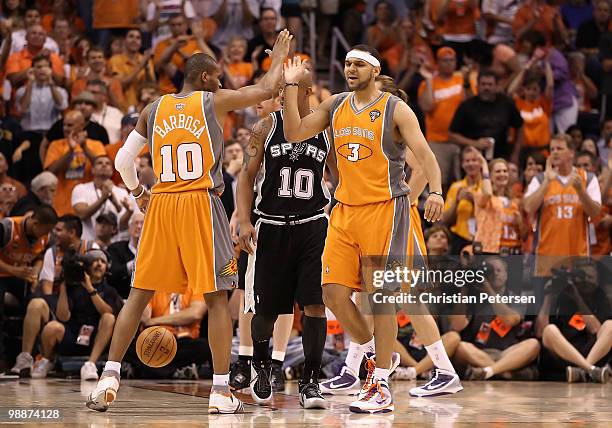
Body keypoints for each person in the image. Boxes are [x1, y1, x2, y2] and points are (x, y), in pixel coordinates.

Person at [86, 30, 293, 414]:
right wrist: (279, 55)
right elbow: (266, 89)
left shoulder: (152, 108)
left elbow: (121, 163)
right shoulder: (211, 102)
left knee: (139, 293)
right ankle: (219, 392)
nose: (220, 83)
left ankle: (108, 376)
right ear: (203, 78)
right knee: (216, 299)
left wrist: (138, 193)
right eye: (216, 77)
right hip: (200, 202)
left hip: (162, 203)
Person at [282, 46, 462, 414]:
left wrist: (437, 193)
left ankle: (379, 381)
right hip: (345, 211)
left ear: (375, 70)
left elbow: (427, 157)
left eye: (358, 64)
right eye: (346, 63)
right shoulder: (335, 104)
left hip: (386, 211)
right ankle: (374, 357)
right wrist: (288, 87)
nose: (350, 69)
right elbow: (296, 132)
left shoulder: (397, 109)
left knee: (384, 299)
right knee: (331, 293)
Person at [236, 69, 330, 408]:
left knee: (315, 305)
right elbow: (245, 179)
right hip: (271, 226)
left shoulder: (326, 129)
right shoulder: (265, 127)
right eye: (281, 88)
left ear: (306, 91)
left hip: (313, 225)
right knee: (266, 311)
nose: (280, 93)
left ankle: (310, 383)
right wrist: (244, 220)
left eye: (289, 88)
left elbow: (344, 178)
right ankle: (260, 366)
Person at [10, 215, 98, 376]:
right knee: (36, 304)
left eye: (59, 229)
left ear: (72, 232)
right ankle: (25, 358)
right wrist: (64, 281)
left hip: (85, 303)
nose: (54, 233)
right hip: (60, 301)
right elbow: (48, 290)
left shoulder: (91, 248)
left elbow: (99, 277)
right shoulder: (52, 252)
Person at [523, 134, 601, 306]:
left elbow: (595, 212)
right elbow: (528, 207)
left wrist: (580, 191)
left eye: (559, 148)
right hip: (546, 261)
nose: (555, 153)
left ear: (571, 152)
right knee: (543, 320)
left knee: (577, 318)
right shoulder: (541, 179)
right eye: (552, 149)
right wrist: (546, 184)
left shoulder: (588, 178)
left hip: (578, 260)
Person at [30, 249, 123, 380]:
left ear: (107, 267)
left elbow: (107, 312)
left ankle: (90, 365)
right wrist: (63, 286)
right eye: (95, 260)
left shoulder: (109, 290)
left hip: (96, 339)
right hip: (73, 335)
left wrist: (90, 289)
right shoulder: (73, 287)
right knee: (52, 327)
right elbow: (63, 316)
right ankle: (46, 361)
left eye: (102, 261)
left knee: (109, 318)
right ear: (87, 267)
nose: (99, 264)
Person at [453, 257, 541, 380]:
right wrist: (464, 289)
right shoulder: (473, 298)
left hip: (506, 354)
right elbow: (457, 325)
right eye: (490, 270)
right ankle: (503, 373)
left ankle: (489, 371)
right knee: (460, 347)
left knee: (533, 344)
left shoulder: (516, 298)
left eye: (498, 270)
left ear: (506, 275)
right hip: (478, 353)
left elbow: (510, 320)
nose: (494, 274)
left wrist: (489, 291)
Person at [0, 205, 58, 372]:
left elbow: (39, 256)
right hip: (3, 274)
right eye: (45, 230)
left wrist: (36, 272)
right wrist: (13, 270)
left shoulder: (45, 236)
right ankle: (2, 359)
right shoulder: (7, 227)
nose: (47, 235)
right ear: (35, 223)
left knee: (36, 303)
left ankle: (28, 357)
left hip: (22, 276)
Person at [536, 261, 612, 383]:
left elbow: (596, 329)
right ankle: (590, 370)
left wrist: (577, 298)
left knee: (610, 325)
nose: (585, 281)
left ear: (597, 281)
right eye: (582, 277)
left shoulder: (602, 300)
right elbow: (540, 332)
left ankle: (584, 370)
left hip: (591, 353)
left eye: (590, 277)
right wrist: (548, 296)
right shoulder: (561, 296)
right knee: (549, 330)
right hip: (564, 351)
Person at [418, 46, 465, 190]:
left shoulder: (461, 80)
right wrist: (429, 80)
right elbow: (426, 106)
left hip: (460, 139)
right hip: (437, 141)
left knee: (460, 181)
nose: (449, 63)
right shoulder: (428, 83)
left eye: (452, 60)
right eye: (445, 60)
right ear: (438, 63)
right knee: (438, 183)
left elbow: (470, 103)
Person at [449, 69, 524, 161]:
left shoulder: (506, 103)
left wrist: (515, 153)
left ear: (496, 86)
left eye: (490, 84)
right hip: (473, 159)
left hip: (501, 157)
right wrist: (474, 143)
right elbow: (452, 135)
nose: (486, 88)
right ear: (477, 86)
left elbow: (520, 126)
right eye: (483, 84)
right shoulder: (467, 106)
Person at [43, 110, 106, 216]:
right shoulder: (56, 145)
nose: (65, 128)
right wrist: (70, 151)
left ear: (81, 125)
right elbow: (50, 172)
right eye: (64, 125)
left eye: (70, 125)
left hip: (89, 205)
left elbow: (103, 168)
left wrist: (84, 147)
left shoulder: (96, 145)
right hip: (61, 207)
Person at [474, 156, 525, 254]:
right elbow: (488, 193)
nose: (502, 174)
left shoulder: (515, 201)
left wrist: (520, 223)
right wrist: (484, 166)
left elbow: (524, 234)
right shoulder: (481, 196)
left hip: (513, 252)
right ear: (490, 176)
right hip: (489, 251)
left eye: (505, 171)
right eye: (498, 171)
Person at [107, 211, 144, 299]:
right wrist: (134, 264)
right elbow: (111, 275)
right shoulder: (115, 249)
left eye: (142, 223)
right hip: (122, 298)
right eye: (135, 223)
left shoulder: (154, 250)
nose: (139, 226)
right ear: (129, 227)